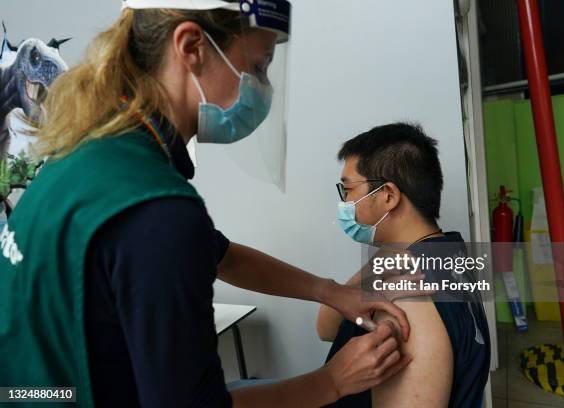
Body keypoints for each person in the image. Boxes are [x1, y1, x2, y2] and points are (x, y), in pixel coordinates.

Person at [0, 2, 414, 406]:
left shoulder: (89, 154)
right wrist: (332, 382)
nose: (262, 90)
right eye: (257, 67)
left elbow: (223, 257)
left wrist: (331, 292)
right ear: (192, 47)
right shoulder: (157, 212)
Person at [317, 123, 491, 407]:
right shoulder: (447, 253)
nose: (345, 202)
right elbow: (326, 328)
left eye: (347, 190)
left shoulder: (407, 296)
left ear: (388, 195)